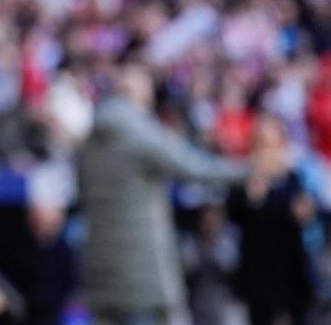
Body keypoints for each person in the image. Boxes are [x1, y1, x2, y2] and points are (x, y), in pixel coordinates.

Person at [76, 64, 246, 325]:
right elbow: (193, 167)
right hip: (140, 269)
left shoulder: (89, 137)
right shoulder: (139, 130)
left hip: (98, 265)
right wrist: (249, 170)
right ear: (139, 92)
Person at [227, 115, 314, 325]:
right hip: (259, 273)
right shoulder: (243, 178)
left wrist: (305, 211)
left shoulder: (293, 177)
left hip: (290, 270)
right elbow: (234, 213)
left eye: (272, 145)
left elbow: (303, 211)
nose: (267, 152)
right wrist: (251, 199)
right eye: (261, 145)